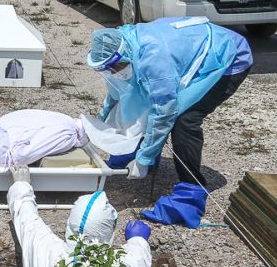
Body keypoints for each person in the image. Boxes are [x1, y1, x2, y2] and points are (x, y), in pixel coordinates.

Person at [87, 16, 253, 227]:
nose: (113, 71)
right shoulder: (126, 43)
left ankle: (189, 196)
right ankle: (134, 152)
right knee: (138, 96)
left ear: (123, 54)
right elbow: (120, 93)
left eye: (115, 66)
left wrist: (145, 157)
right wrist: (99, 123)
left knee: (185, 120)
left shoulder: (154, 59)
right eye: (107, 68)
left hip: (230, 57)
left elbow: (164, 110)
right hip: (191, 50)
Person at [6, 165, 151, 267]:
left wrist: (21, 184)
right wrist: (138, 240)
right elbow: (139, 264)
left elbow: (27, 218)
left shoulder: (47, 249)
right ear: (110, 230)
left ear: (70, 223)